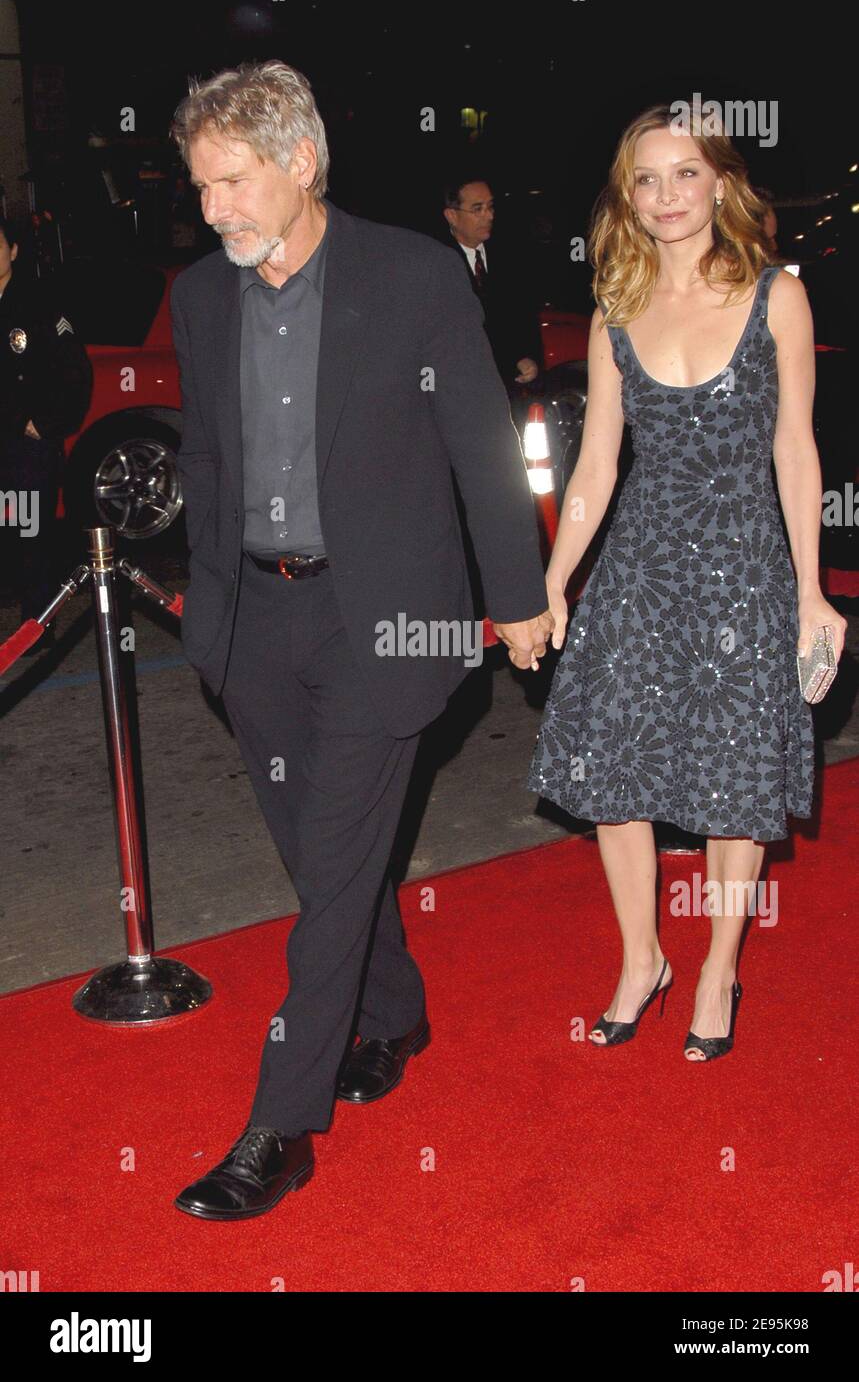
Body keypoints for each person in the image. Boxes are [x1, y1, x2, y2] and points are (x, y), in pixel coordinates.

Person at [167, 60, 553, 1221]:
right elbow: (208, 464)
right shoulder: (200, 298)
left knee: (332, 869)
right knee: (320, 853)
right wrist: (207, 619)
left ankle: (278, 1125)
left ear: (300, 163)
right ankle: (391, 1011)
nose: (214, 208)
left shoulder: (414, 276)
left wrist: (518, 594)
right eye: (200, 188)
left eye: (232, 182)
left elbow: (483, 447)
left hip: (386, 616)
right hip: (257, 619)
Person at [527, 104, 846, 1062]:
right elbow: (594, 469)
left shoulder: (772, 294)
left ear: (719, 183)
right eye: (645, 180)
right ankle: (640, 959)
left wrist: (811, 591)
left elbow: (795, 449)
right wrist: (552, 582)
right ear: (627, 197)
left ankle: (716, 969)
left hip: (745, 567)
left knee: (731, 780)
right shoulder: (615, 306)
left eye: (684, 175)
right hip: (641, 570)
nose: (666, 197)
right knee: (611, 769)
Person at [0, 217, 92, 652]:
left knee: (27, 534)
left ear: (13, 250)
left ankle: (35, 627)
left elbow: (74, 370)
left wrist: (44, 424)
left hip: (24, 448)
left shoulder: (37, 304)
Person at [443, 175, 542, 389]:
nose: (488, 216)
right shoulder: (437, 264)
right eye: (477, 209)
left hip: (509, 387)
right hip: (459, 385)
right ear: (452, 215)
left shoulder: (510, 253)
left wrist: (529, 358)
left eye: (490, 207)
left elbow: (524, 315)